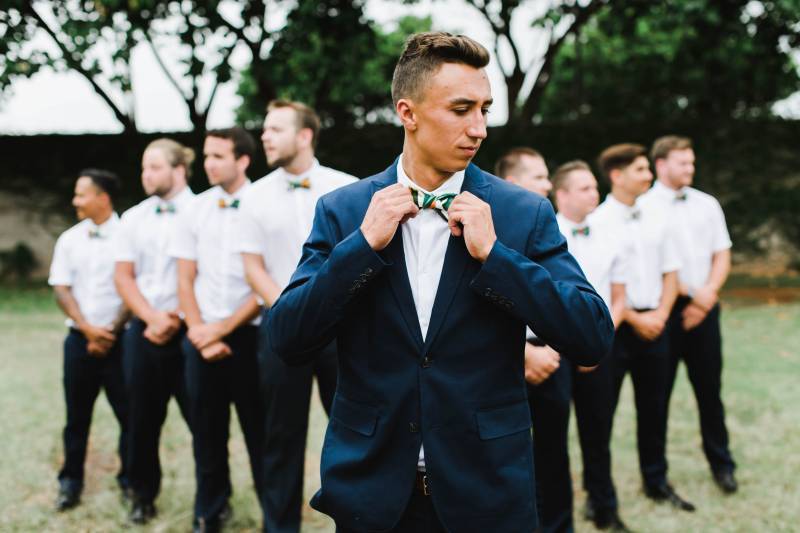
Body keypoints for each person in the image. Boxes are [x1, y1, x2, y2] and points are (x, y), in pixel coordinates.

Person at [267, 32, 614, 533]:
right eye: (461, 109)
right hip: (373, 493)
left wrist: (497, 258)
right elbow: (288, 338)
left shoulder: (522, 213)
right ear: (408, 113)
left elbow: (592, 336)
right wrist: (361, 248)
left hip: (488, 491)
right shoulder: (343, 212)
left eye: (485, 110)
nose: (479, 129)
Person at [238, 100, 357, 532]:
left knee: (351, 434)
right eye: (265, 129)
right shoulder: (251, 196)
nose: (265, 136)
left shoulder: (348, 189)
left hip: (340, 333)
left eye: (275, 129)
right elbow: (252, 266)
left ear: (304, 136)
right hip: (280, 331)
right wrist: (289, 311)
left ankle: (355, 520)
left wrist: (328, 313)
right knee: (280, 437)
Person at [501, 159, 630, 532]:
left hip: (588, 343)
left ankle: (598, 507)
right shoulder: (522, 231)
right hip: (540, 351)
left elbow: (613, 294)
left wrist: (592, 343)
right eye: (586, 187)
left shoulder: (606, 232)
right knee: (545, 448)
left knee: (597, 431)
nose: (595, 193)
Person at [592, 143, 695, 512]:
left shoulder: (657, 218)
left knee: (655, 408)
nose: (649, 176)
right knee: (601, 413)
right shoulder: (597, 221)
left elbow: (672, 272)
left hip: (658, 324)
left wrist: (661, 316)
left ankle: (656, 480)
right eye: (640, 170)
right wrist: (636, 318)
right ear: (617, 176)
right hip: (617, 327)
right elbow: (597, 283)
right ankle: (598, 493)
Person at [170, 127, 263, 533]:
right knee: (205, 431)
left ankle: (273, 515)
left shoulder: (263, 204)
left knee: (261, 432)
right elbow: (184, 278)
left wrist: (223, 328)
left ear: (242, 160)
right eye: (206, 156)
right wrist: (200, 333)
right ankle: (210, 511)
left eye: (218, 156)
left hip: (252, 336)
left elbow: (270, 280)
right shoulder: (193, 209)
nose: (208, 164)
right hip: (201, 336)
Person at [640, 135, 737, 493]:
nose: (690, 168)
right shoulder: (644, 206)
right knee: (656, 397)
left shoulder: (707, 204)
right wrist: (688, 298)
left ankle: (723, 465)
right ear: (661, 165)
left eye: (692, 162)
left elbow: (722, 253)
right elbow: (654, 264)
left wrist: (706, 297)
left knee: (710, 392)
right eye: (683, 162)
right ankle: (655, 476)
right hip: (664, 311)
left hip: (705, 308)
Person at [113, 138, 196, 524]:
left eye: (154, 167)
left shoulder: (203, 211)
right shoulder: (132, 218)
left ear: (179, 169)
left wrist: (179, 317)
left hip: (191, 330)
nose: (146, 175)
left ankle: (214, 499)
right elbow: (124, 277)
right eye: (144, 168)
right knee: (141, 418)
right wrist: (151, 317)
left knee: (204, 420)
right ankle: (141, 495)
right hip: (144, 332)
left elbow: (208, 275)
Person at [48, 169, 131, 511]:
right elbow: (61, 288)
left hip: (121, 341)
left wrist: (109, 329)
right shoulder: (69, 239)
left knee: (130, 416)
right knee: (76, 417)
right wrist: (88, 329)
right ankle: (70, 483)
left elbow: (135, 287)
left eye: (82, 194)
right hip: (79, 342)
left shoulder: (129, 235)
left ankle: (131, 482)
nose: (75, 201)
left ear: (103, 198)